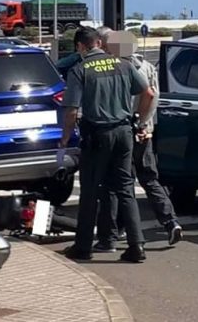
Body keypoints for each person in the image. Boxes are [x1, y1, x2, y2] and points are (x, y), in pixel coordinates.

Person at [58, 27, 155, 263]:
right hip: (124, 133)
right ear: (99, 43)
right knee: (125, 189)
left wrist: (64, 139)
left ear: (80, 47)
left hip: (97, 135)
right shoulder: (122, 64)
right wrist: (140, 122)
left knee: (90, 191)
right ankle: (136, 246)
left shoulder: (79, 69)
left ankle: (83, 247)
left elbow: (71, 111)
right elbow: (149, 93)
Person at [94, 27, 184, 250]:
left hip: (124, 131)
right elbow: (155, 96)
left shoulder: (116, 68)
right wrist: (146, 125)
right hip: (145, 132)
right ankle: (170, 222)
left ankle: (116, 233)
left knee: (119, 183)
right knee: (149, 178)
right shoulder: (147, 66)